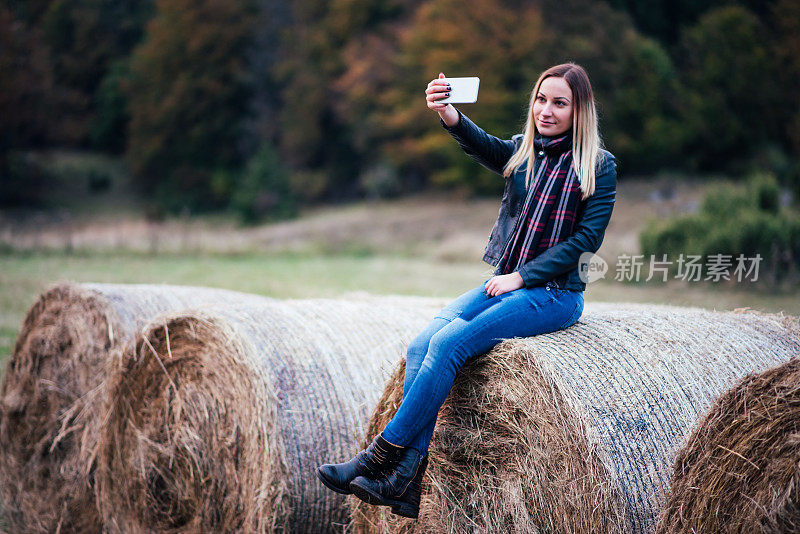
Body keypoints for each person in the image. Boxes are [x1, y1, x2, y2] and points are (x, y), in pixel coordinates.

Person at [317, 62, 617, 519]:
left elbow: (586, 242)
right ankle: (406, 480)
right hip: (505, 281)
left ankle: (380, 458)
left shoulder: (598, 166)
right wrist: (449, 115)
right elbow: (486, 147)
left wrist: (522, 277)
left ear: (580, 111)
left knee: (450, 343)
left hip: (554, 293)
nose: (547, 110)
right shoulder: (525, 153)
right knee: (423, 344)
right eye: (541, 99)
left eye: (560, 103)